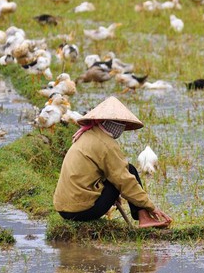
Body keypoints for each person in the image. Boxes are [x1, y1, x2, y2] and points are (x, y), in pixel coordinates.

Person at [53, 96, 172, 228]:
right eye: (118, 123)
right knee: (129, 170)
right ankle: (144, 218)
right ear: (106, 122)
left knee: (122, 173)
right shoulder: (106, 144)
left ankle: (143, 217)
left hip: (63, 209)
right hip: (82, 210)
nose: (120, 127)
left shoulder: (88, 135)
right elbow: (125, 180)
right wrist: (151, 206)